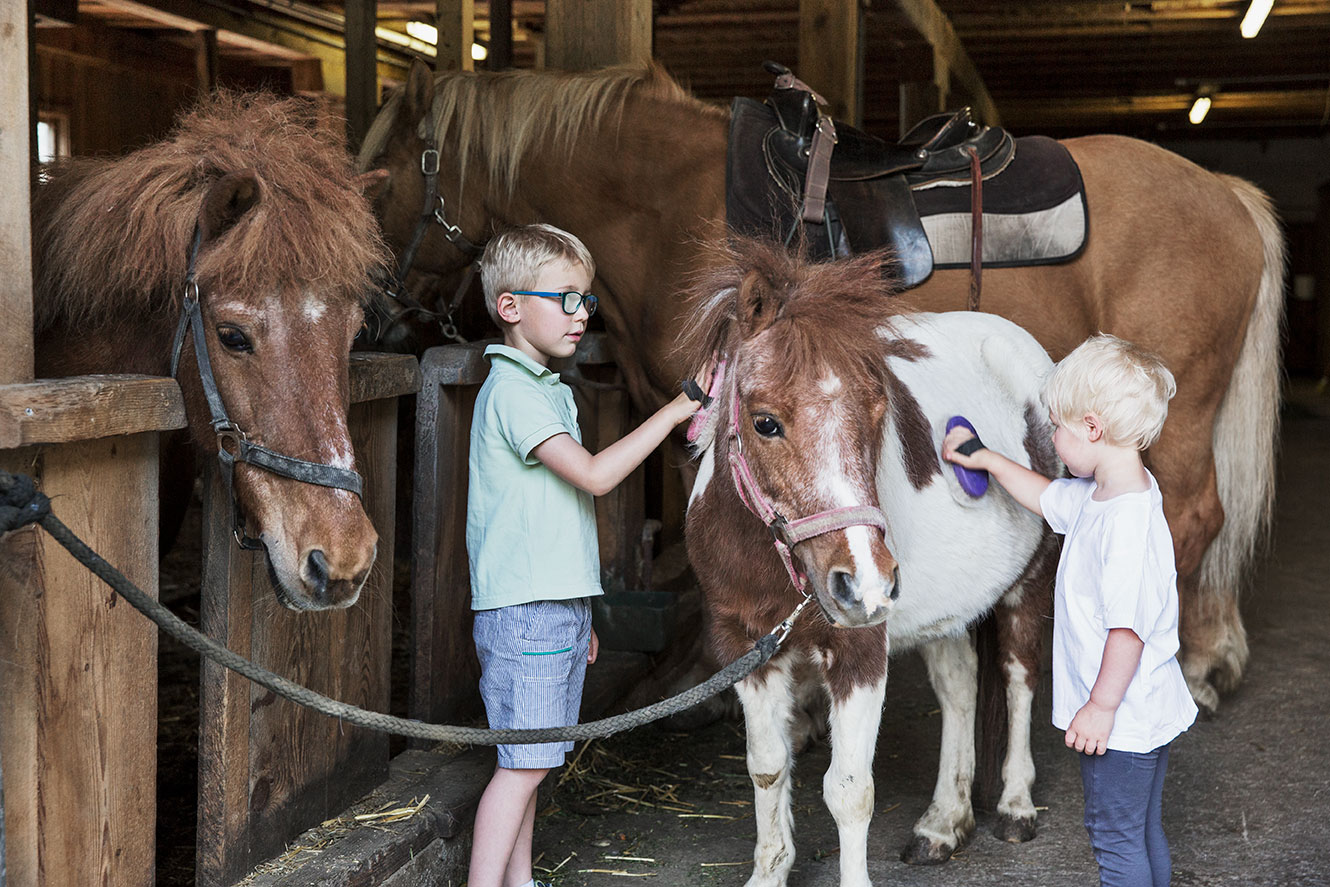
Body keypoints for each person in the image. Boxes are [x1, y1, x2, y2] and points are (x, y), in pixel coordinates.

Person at [466, 223, 706, 887]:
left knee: (531, 763)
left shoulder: (547, 391)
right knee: (522, 766)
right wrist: (671, 413)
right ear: (510, 306)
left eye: (587, 301)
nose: (581, 314)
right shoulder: (513, 393)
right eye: (565, 297)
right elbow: (595, 477)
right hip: (524, 612)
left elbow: (556, 521)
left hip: (553, 607)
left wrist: (584, 611)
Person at [943, 333, 1198, 887]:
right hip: (1144, 712)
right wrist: (985, 459)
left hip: (1122, 721)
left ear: (1092, 428)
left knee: (1115, 839)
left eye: (1057, 426)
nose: (1052, 438)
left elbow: (1127, 631)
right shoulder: (1110, 494)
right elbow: (1045, 496)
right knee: (1141, 830)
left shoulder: (1125, 527)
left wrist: (1100, 708)